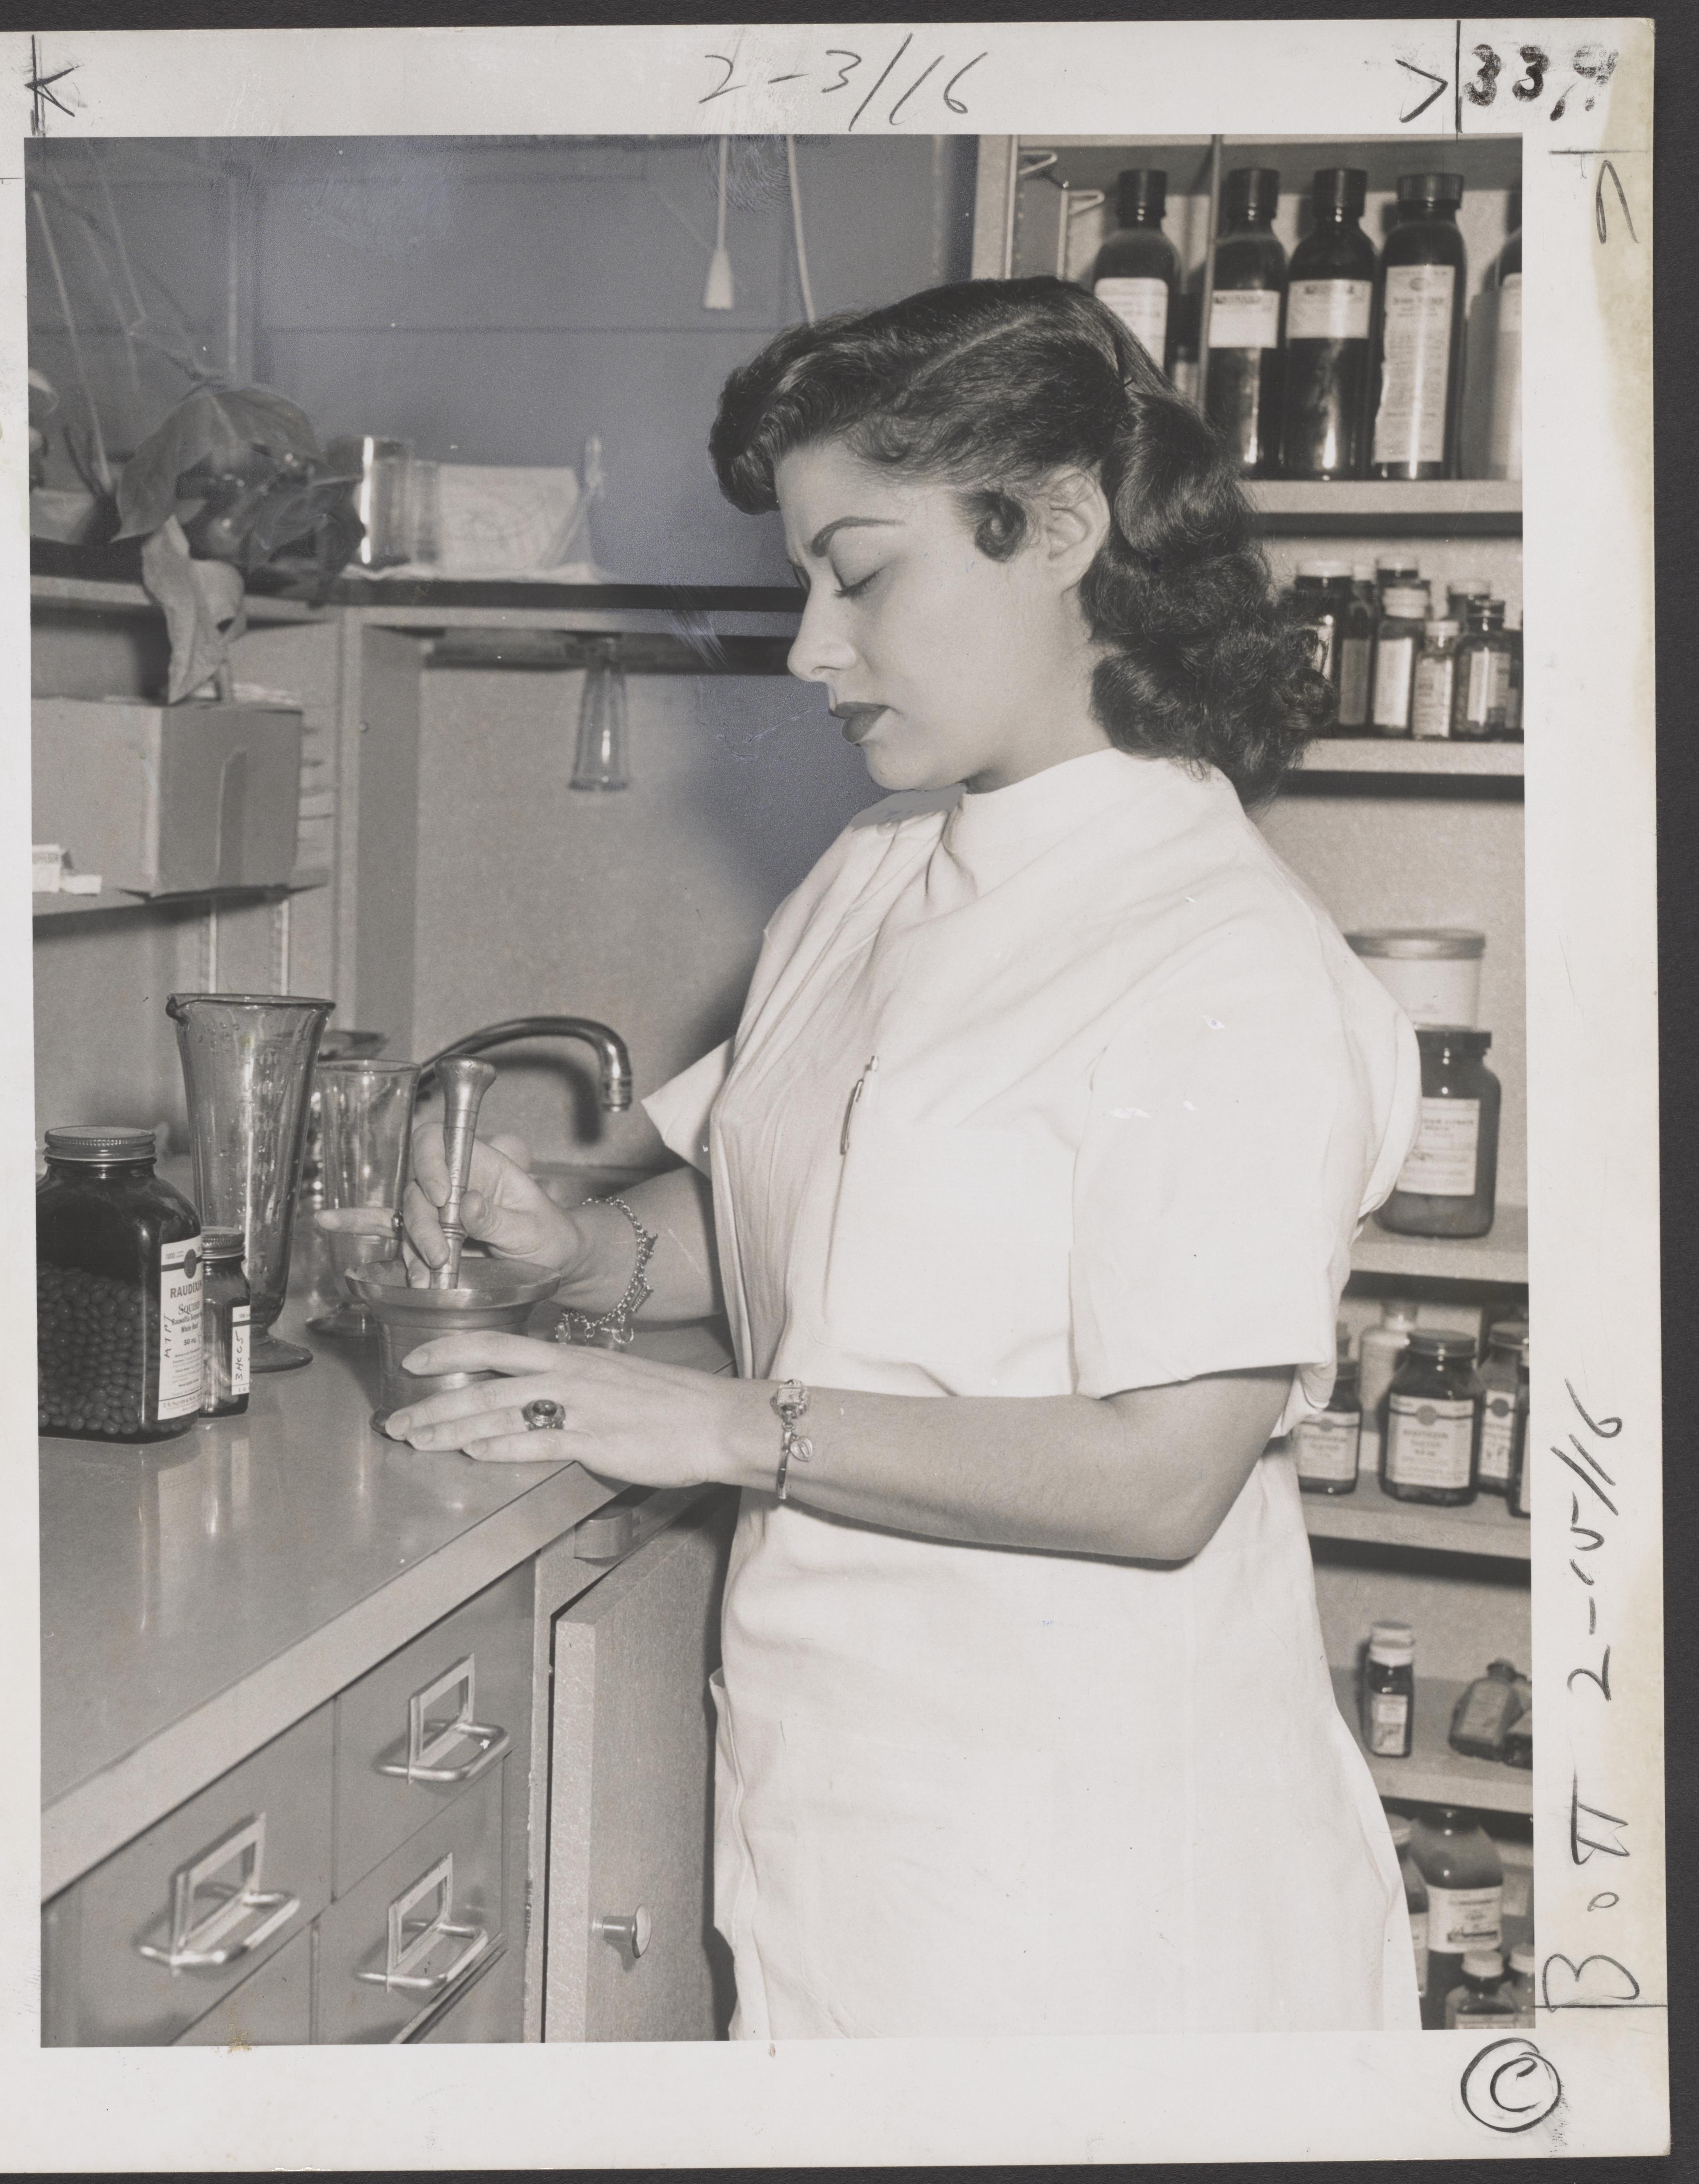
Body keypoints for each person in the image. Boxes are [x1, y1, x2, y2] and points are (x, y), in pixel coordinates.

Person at [391, 278, 1424, 2038]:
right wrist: (575, 1246)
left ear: (1062, 529)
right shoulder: (876, 867)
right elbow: (782, 1215)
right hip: (841, 1807)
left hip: (1104, 1877)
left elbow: (1163, 1474)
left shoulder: (1223, 957)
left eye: (860, 574)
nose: (812, 647)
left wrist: (725, 1425)